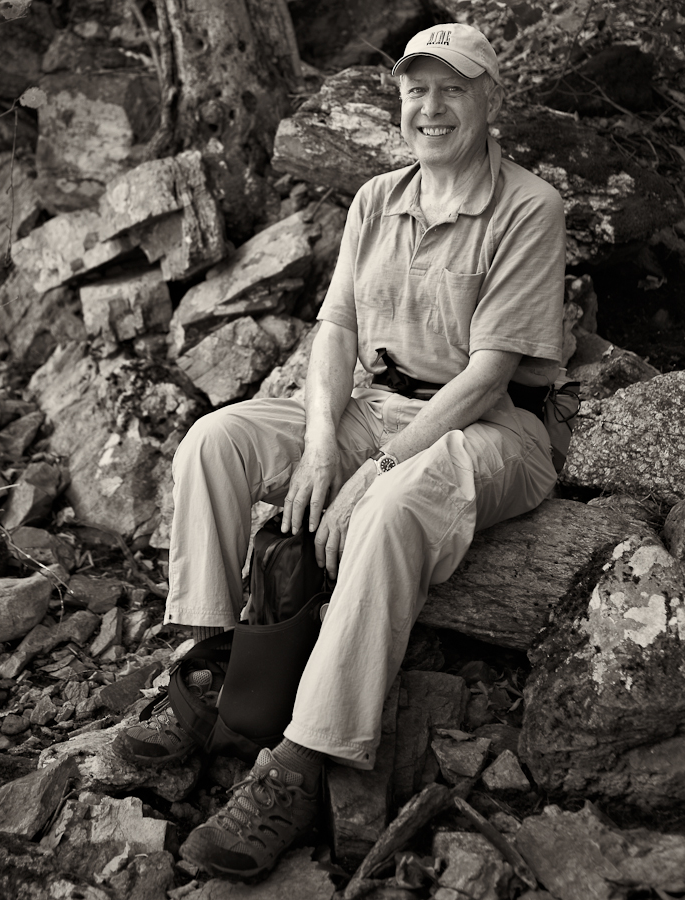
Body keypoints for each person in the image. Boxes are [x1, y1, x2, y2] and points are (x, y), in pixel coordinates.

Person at [114, 22, 566, 880]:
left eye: (453, 89)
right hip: (375, 404)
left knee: (390, 510)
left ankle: (298, 762)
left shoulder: (528, 206)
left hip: (489, 425)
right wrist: (323, 445)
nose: (431, 107)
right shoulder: (376, 199)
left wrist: (375, 474)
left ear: (490, 100)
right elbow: (337, 330)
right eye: (416, 90)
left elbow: (488, 377)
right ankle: (212, 671)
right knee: (216, 441)